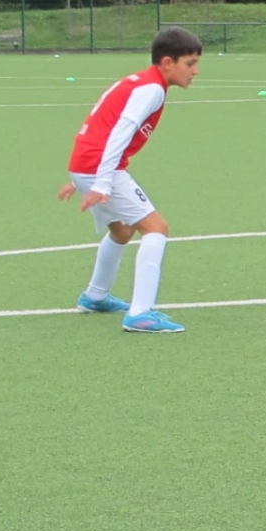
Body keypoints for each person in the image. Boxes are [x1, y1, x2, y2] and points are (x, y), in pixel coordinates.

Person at [56, 25, 202, 332]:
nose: (195, 71)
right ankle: (140, 313)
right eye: (190, 63)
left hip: (88, 164)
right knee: (156, 228)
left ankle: (95, 296)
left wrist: (82, 177)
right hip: (98, 167)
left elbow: (101, 124)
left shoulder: (141, 81)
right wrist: (100, 182)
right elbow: (120, 131)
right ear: (167, 62)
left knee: (122, 230)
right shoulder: (152, 89)